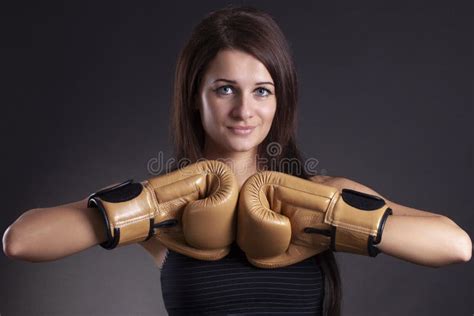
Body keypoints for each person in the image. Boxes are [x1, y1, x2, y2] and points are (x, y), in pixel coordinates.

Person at [2, 5, 472, 316]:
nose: (244, 110)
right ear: (195, 98)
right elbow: (22, 241)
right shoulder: (165, 206)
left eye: (262, 91)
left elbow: (456, 246)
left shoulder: (321, 194)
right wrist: (151, 209)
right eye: (224, 88)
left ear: (280, 100)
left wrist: (335, 216)